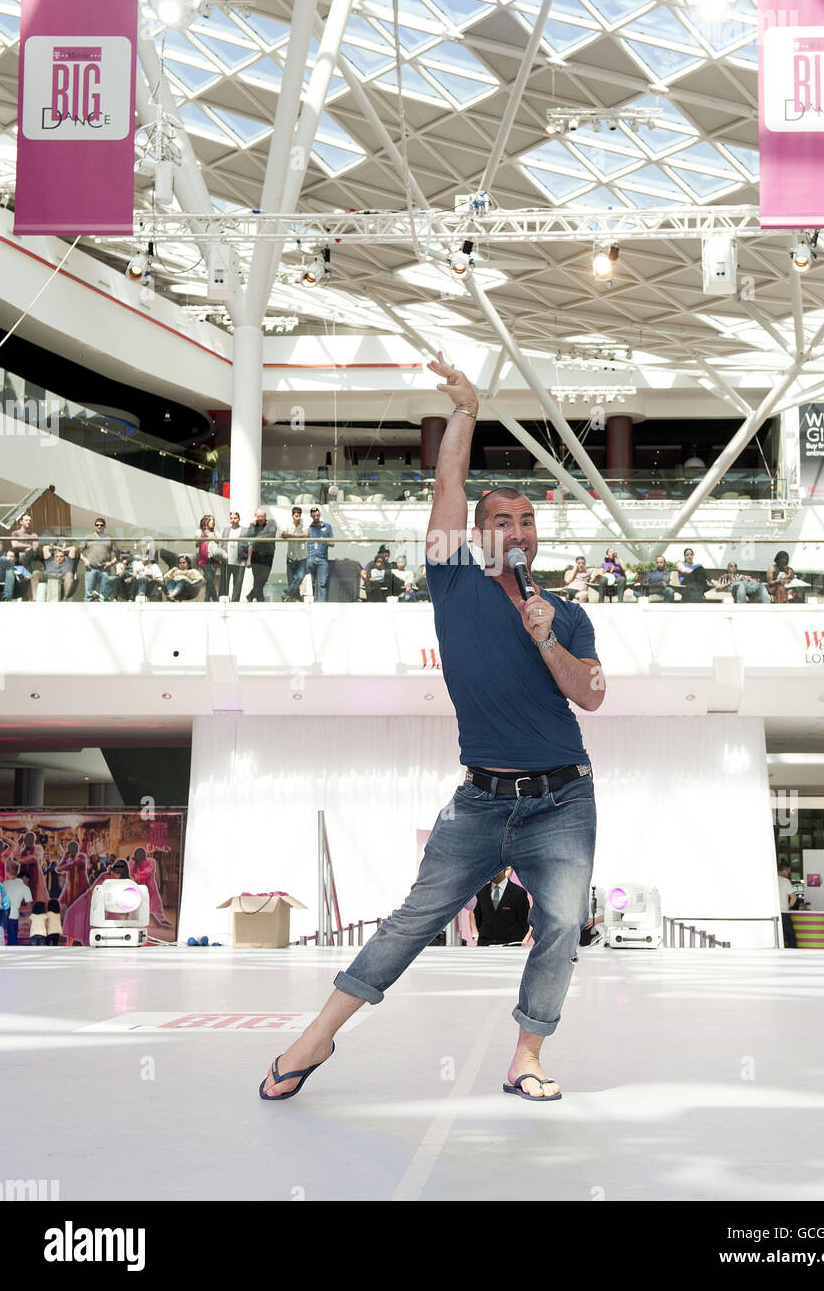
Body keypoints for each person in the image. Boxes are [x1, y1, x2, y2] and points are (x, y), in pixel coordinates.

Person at [261, 352, 605, 1103]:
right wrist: (465, 413)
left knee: (559, 930)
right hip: (479, 804)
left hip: (562, 803)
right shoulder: (452, 580)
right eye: (501, 520)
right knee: (409, 923)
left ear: (537, 535)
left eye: (526, 520)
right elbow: (448, 484)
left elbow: (592, 697)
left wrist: (547, 637)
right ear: (478, 535)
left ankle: (527, 1055)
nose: (516, 529)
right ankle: (316, 1038)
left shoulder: (568, 613)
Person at [471, 868, 533, 947]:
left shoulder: (519, 893)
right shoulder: (480, 892)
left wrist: (516, 940)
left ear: (504, 869)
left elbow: (524, 922)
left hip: (510, 946)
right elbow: (478, 918)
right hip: (485, 946)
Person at [244, 509, 278, 602]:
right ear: (255, 516)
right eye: (258, 516)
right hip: (256, 555)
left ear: (265, 517)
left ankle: (251, 595)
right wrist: (251, 525)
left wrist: (257, 537)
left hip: (268, 556)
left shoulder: (271, 523)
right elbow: (249, 536)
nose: (260, 518)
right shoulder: (253, 526)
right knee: (257, 580)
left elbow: (271, 535)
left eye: (262, 516)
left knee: (263, 579)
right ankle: (260, 600)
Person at [79, 518, 115, 602]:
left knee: (104, 596)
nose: (99, 526)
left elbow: (117, 553)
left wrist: (111, 563)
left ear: (105, 526)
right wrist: (85, 560)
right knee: (89, 595)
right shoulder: (88, 537)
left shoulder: (110, 538)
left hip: (105, 569)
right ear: (94, 526)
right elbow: (78, 552)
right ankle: (87, 614)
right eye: (97, 525)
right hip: (90, 568)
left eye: (101, 525)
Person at [306, 506, 334, 603]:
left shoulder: (327, 527)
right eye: (314, 516)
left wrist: (324, 541)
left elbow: (332, 543)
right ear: (311, 516)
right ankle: (311, 603)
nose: (316, 518)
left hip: (322, 559)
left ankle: (322, 605)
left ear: (320, 515)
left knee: (323, 584)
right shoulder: (308, 528)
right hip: (310, 559)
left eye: (317, 515)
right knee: (310, 583)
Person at [281, 506, 309, 602]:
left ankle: (287, 593)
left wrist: (290, 535)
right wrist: (285, 534)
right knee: (291, 579)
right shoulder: (288, 524)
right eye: (296, 516)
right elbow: (282, 534)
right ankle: (294, 598)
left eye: (299, 516)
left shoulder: (304, 523)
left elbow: (305, 534)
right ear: (292, 516)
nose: (298, 518)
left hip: (302, 556)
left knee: (300, 576)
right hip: (291, 556)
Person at [9, 513, 40, 598]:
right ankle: (26, 575)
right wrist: (28, 546)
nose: (28, 522)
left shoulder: (34, 535)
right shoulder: (15, 533)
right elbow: (14, 544)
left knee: (30, 553)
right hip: (18, 560)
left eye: (30, 520)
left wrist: (28, 548)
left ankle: (26, 575)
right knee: (23, 555)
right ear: (21, 522)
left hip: (30, 559)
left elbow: (35, 548)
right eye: (26, 520)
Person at [0, 863, 32, 945]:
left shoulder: (5, 882)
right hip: (13, 915)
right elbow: (29, 905)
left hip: (1, 913)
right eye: (28, 880)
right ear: (24, 877)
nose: (28, 882)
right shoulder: (25, 888)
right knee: (12, 939)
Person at [196, 515, 221, 602]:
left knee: (209, 580)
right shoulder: (200, 532)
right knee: (209, 579)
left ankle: (206, 599)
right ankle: (215, 599)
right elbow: (196, 544)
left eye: (213, 520)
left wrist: (212, 537)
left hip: (214, 558)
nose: (212, 522)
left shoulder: (216, 532)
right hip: (204, 559)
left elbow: (219, 542)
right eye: (210, 520)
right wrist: (203, 537)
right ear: (205, 522)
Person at [222, 511, 246, 601]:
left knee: (238, 583)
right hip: (227, 560)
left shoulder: (245, 530)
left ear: (239, 519)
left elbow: (249, 544)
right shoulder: (226, 530)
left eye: (235, 518)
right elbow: (222, 543)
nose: (233, 520)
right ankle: (225, 600)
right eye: (231, 518)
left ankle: (235, 601)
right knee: (225, 582)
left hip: (240, 561)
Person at [777, 862, 798, 948]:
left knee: (776, 937)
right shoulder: (786, 881)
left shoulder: (770, 880)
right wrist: (788, 906)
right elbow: (793, 897)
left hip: (772, 914)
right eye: (788, 871)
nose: (788, 873)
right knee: (791, 938)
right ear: (784, 870)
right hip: (784, 913)